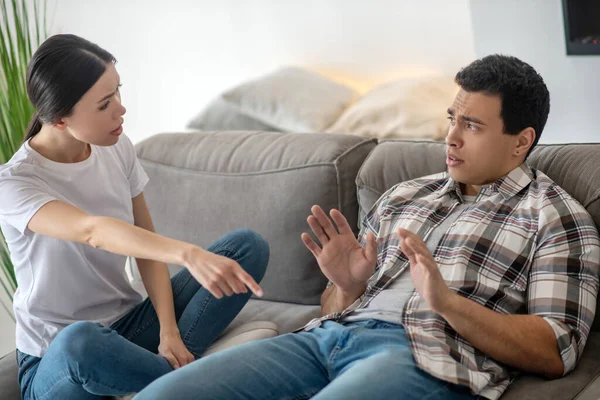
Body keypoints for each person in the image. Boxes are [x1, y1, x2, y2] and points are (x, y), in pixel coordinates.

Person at [133, 54, 600, 400]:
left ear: (522, 142)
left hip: (425, 357)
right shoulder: (405, 194)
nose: (450, 137)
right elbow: (332, 307)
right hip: (325, 340)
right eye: (451, 119)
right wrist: (346, 286)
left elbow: (555, 351)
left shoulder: (556, 219)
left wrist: (447, 304)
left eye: (472, 126)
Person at [0, 34, 270, 400]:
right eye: (104, 104)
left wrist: (168, 331)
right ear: (60, 120)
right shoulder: (14, 184)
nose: (121, 110)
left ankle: (156, 374)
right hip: (56, 359)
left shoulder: (117, 147)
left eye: (118, 92)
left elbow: (146, 247)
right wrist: (187, 253)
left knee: (245, 248)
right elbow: (91, 230)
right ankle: (189, 382)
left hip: (129, 326)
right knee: (79, 340)